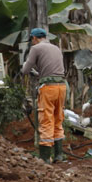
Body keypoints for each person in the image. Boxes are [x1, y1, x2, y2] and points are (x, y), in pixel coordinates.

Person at [20, 28, 66, 164]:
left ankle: (45, 158)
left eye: (32, 40)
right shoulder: (56, 48)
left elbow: (26, 69)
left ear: (34, 38)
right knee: (58, 118)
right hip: (62, 87)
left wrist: (24, 67)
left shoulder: (36, 48)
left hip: (48, 88)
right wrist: (39, 73)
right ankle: (59, 155)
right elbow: (52, 70)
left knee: (46, 119)